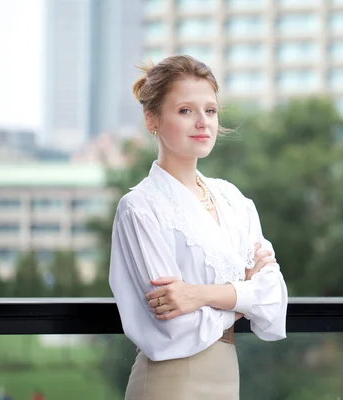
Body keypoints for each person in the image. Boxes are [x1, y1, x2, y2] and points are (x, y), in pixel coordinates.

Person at [108, 55, 288, 399]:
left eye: (210, 110)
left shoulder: (233, 200)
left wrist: (199, 295)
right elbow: (173, 327)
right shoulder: (139, 208)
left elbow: (275, 297)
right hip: (169, 382)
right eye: (185, 110)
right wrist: (244, 296)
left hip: (226, 376)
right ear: (152, 119)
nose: (202, 122)